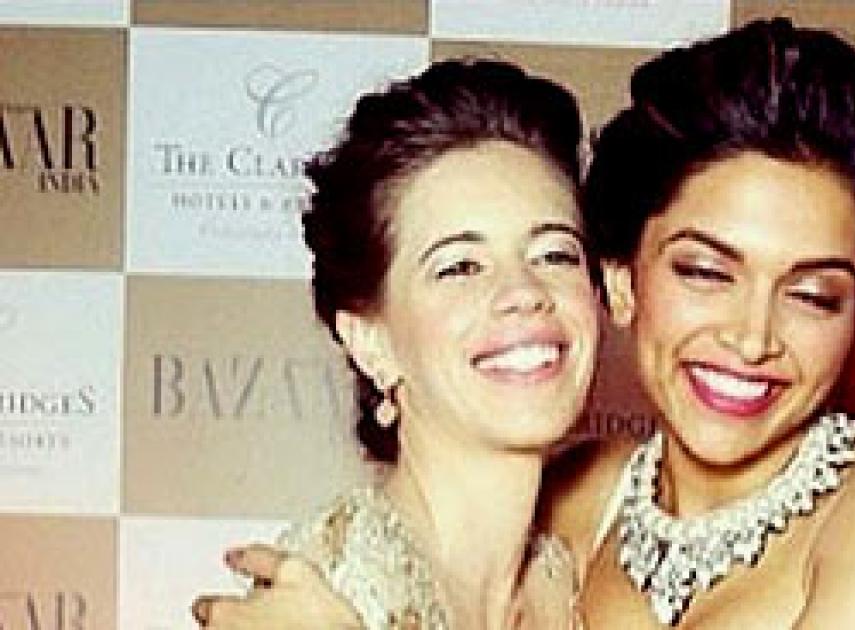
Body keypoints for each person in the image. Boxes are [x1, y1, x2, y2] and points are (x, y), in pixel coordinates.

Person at [538, 17, 855, 629]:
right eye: (706, 273)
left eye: (812, 296)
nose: (753, 339)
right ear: (622, 282)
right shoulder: (575, 498)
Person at [191, 58, 598, 630]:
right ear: (370, 342)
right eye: (460, 266)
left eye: (555, 254)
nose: (525, 292)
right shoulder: (319, 591)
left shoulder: (567, 581)